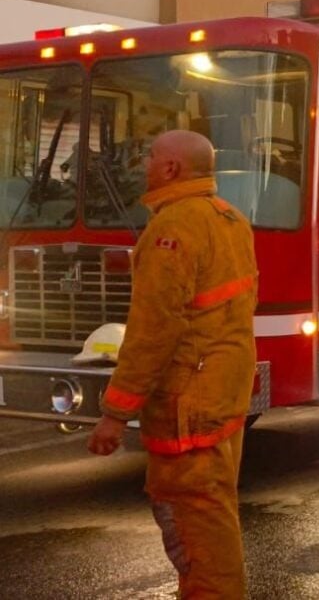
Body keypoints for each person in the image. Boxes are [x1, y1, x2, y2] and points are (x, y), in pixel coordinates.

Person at [87, 129, 258, 599]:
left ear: (171, 169)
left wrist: (115, 412)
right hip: (221, 396)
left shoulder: (171, 229)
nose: (143, 161)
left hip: (188, 406)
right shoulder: (231, 220)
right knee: (215, 514)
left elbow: (152, 333)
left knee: (196, 528)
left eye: (150, 153)